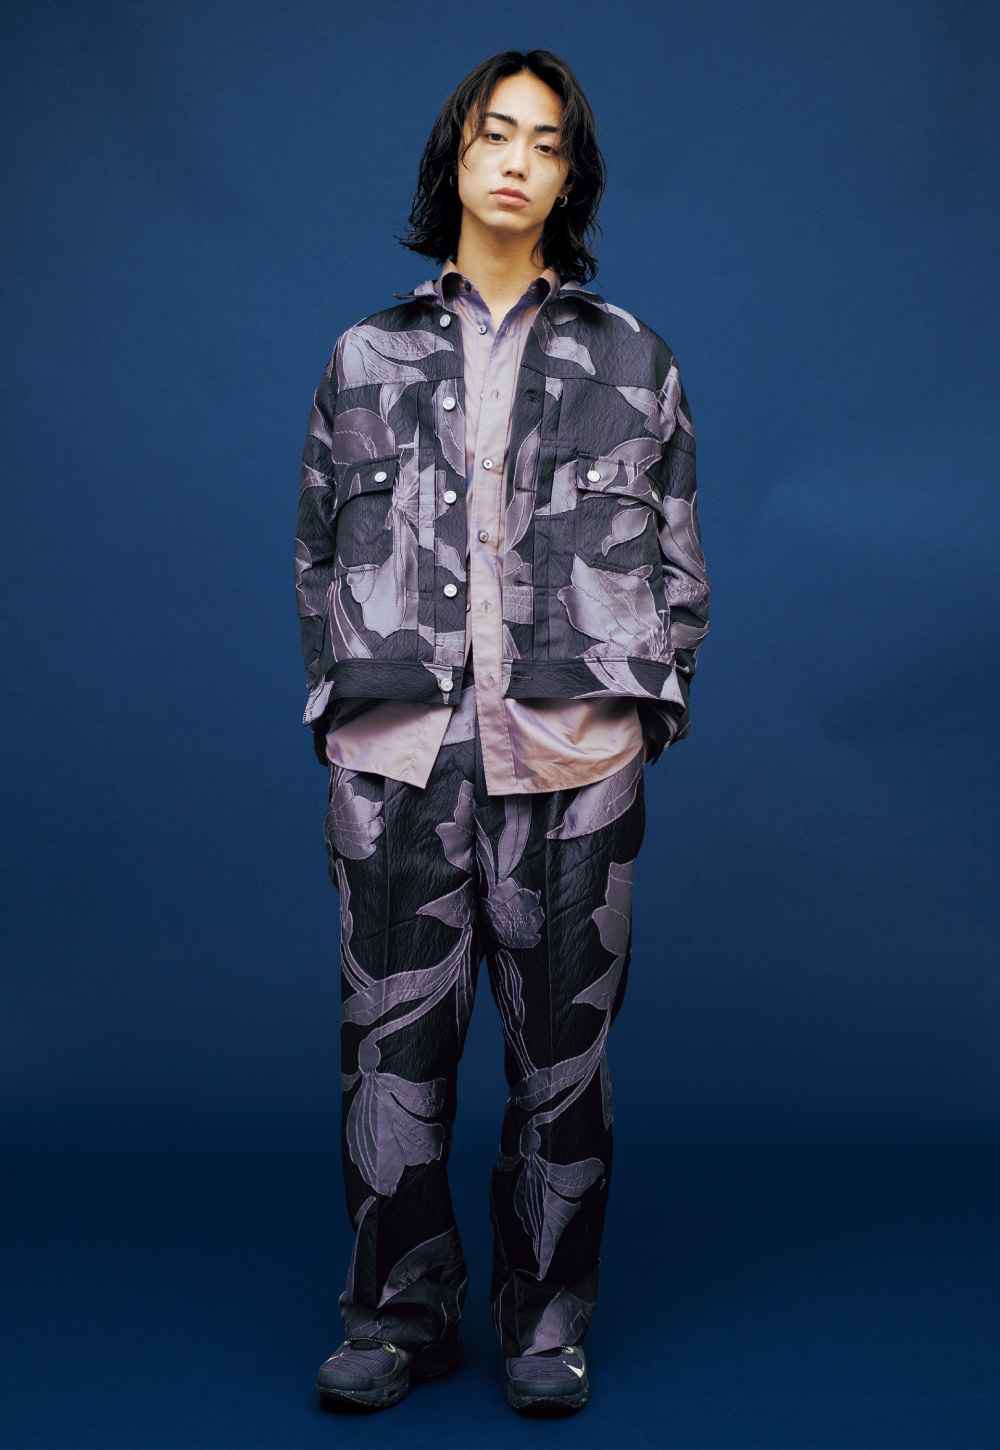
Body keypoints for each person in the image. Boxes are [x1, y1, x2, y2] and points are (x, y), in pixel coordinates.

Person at [294, 48, 709, 1414]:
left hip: (573, 760)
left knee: (562, 1059)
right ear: (457, 156)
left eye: (547, 141)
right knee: (389, 1050)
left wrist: (633, 721)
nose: (519, 159)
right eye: (496, 133)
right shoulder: (364, 357)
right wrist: (347, 712)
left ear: (571, 177)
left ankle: (547, 1315)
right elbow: (317, 555)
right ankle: (397, 1312)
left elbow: (679, 568)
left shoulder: (633, 358)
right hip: (399, 758)